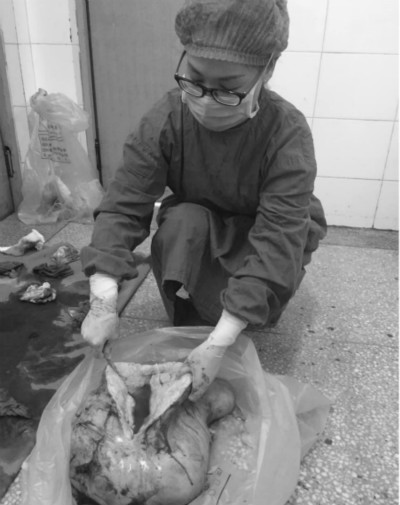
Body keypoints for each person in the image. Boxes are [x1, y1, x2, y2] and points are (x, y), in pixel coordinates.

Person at [80, 0, 327, 401]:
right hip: (201, 223)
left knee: (251, 308)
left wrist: (223, 338)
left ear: (267, 70)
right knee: (181, 221)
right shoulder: (167, 116)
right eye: (195, 79)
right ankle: (196, 314)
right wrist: (104, 296)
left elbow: (279, 235)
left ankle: (232, 319)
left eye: (228, 88)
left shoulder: (287, 132)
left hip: (262, 234)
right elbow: (125, 198)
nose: (207, 99)